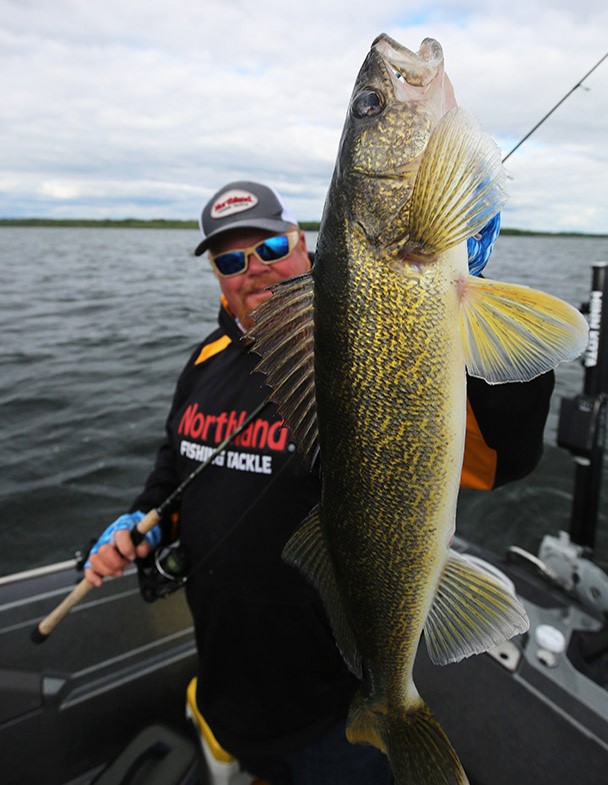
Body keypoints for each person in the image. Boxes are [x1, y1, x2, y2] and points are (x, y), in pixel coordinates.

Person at [85, 180, 554, 785]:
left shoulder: (362, 347)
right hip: (227, 687)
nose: (253, 270)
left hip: (329, 707)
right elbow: (174, 467)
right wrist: (143, 521)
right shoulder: (204, 360)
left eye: (270, 246)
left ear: (303, 242)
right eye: (230, 260)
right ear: (216, 276)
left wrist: (461, 302)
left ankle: (388, 711)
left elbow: (498, 459)